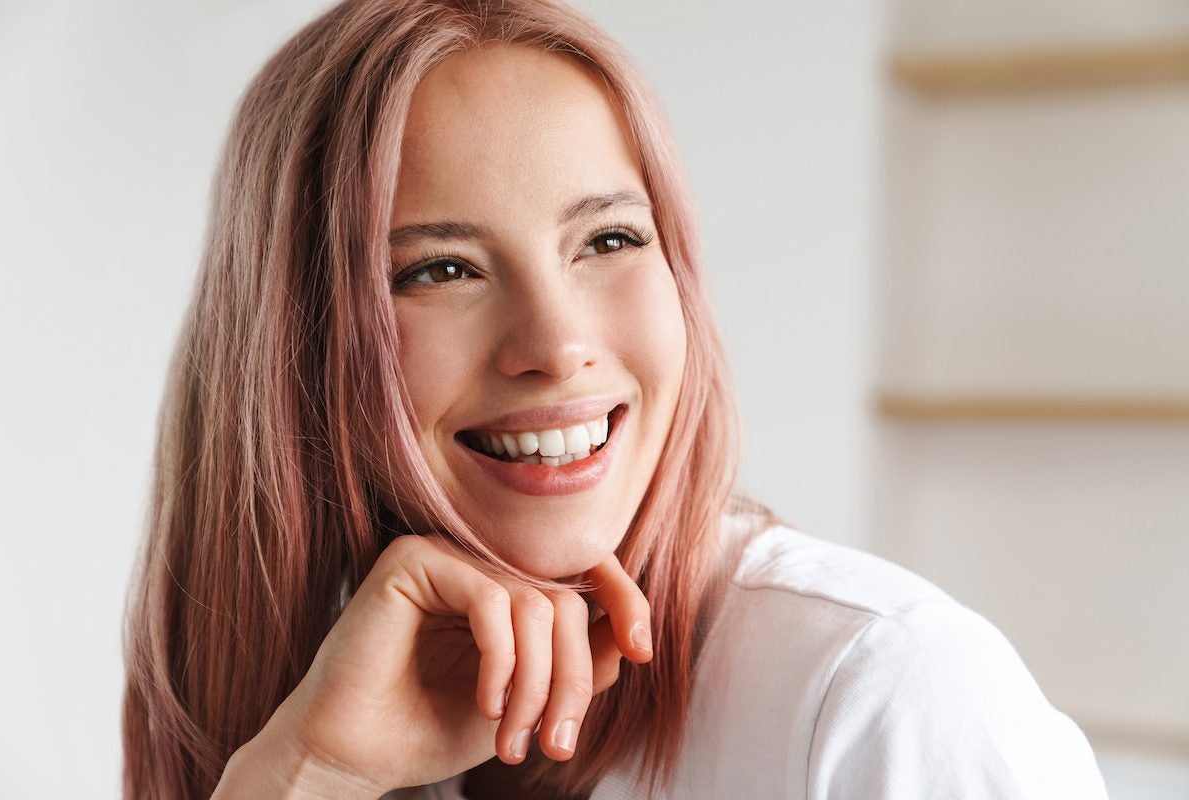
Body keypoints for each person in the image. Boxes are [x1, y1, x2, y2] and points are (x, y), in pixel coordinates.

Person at [121, 1, 1110, 798]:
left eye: (609, 240)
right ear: (293, 344)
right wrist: (311, 774)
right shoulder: (336, 695)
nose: (558, 348)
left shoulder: (885, 690)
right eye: (442, 269)